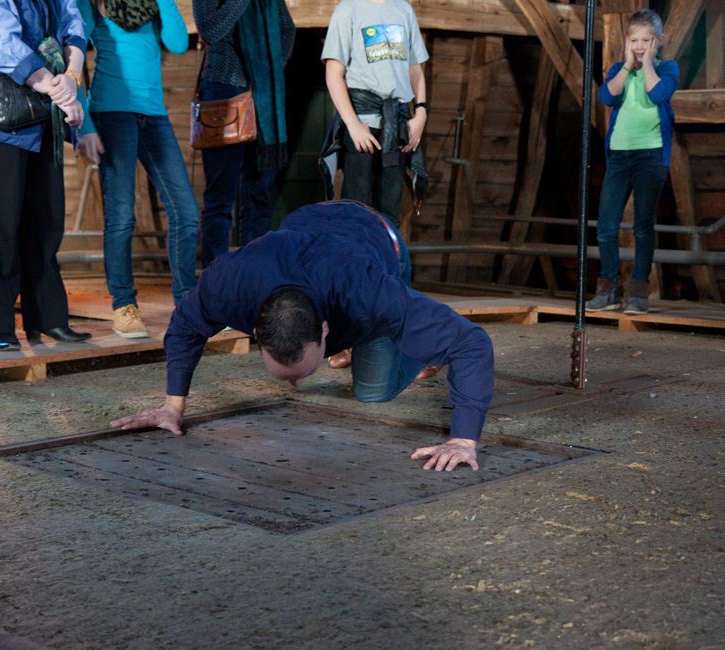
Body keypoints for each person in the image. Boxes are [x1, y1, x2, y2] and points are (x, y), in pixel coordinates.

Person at [110, 200, 495, 472]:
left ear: (325, 328)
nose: (296, 385)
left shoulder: (369, 292)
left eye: (302, 372)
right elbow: (183, 329)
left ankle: (413, 348)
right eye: (288, 375)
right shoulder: (229, 284)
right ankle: (359, 345)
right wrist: (172, 408)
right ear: (257, 330)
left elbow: (472, 343)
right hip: (309, 220)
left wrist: (463, 439)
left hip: (376, 235)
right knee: (371, 335)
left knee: (373, 390)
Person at [0, 0, 91, 351]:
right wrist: (54, 86)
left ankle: (48, 319)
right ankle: (0, 324)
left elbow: (73, 20)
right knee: (1, 223)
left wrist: (71, 75)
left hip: (45, 109)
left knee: (46, 219)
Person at [75, 0, 199, 339]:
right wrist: (83, 123)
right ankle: (124, 307)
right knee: (121, 214)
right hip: (112, 113)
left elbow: (176, 43)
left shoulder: (152, 4)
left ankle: (187, 302)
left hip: (153, 115)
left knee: (186, 211)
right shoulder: (94, 3)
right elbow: (71, 54)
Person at [587, 9, 678, 315]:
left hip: (650, 156)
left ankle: (638, 293)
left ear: (659, 41)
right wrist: (628, 64)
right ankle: (608, 289)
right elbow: (606, 97)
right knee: (606, 225)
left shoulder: (667, 69)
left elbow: (657, 95)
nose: (640, 46)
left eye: (646, 40)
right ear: (627, 41)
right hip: (619, 156)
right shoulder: (619, 70)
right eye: (635, 40)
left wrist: (648, 63)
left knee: (642, 226)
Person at [193, 0, 295, 267]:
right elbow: (210, 32)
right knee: (220, 197)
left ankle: (253, 274)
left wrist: (270, 68)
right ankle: (216, 279)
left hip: (262, 94)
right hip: (224, 91)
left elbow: (287, 29)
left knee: (258, 192)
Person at [320, 0, 429, 228]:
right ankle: (356, 263)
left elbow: (414, 68)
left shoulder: (404, 10)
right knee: (355, 212)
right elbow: (333, 73)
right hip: (363, 124)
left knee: (390, 213)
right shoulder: (348, 9)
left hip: (397, 126)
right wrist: (353, 124)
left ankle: (386, 263)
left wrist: (421, 112)